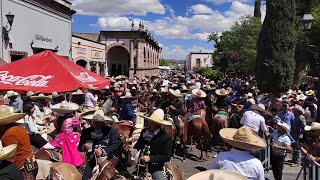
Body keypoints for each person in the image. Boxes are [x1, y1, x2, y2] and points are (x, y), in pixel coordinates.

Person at [78, 110, 119, 180]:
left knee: (120, 176)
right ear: (92, 121)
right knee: (85, 178)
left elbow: (115, 145)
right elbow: (79, 147)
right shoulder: (86, 132)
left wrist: (103, 151)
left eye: (99, 123)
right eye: (95, 122)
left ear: (103, 123)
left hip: (108, 159)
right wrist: (84, 146)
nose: (97, 125)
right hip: (92, 160)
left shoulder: (110, 130)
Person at [0, 105, 38, 179]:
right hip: (30, 163)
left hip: (22, 167)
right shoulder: (19, 128)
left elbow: (10, 157)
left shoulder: (9, 134)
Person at [133, 109, 173, 180]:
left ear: (158, 124)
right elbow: (139, 144)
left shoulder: (165, 138)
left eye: (152, 123)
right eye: (149, 122)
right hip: (141, 164)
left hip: (156, 167)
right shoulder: (144, 131)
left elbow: (167, 156)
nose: (149, 124)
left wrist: (150, 158)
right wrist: (135, 149)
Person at [40, 102, 83, 167]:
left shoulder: (58, 119)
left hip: (59, 136)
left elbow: (57, 127)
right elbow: (77, 124)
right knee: (79, 142)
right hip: (69, 137)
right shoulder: (71, 119)